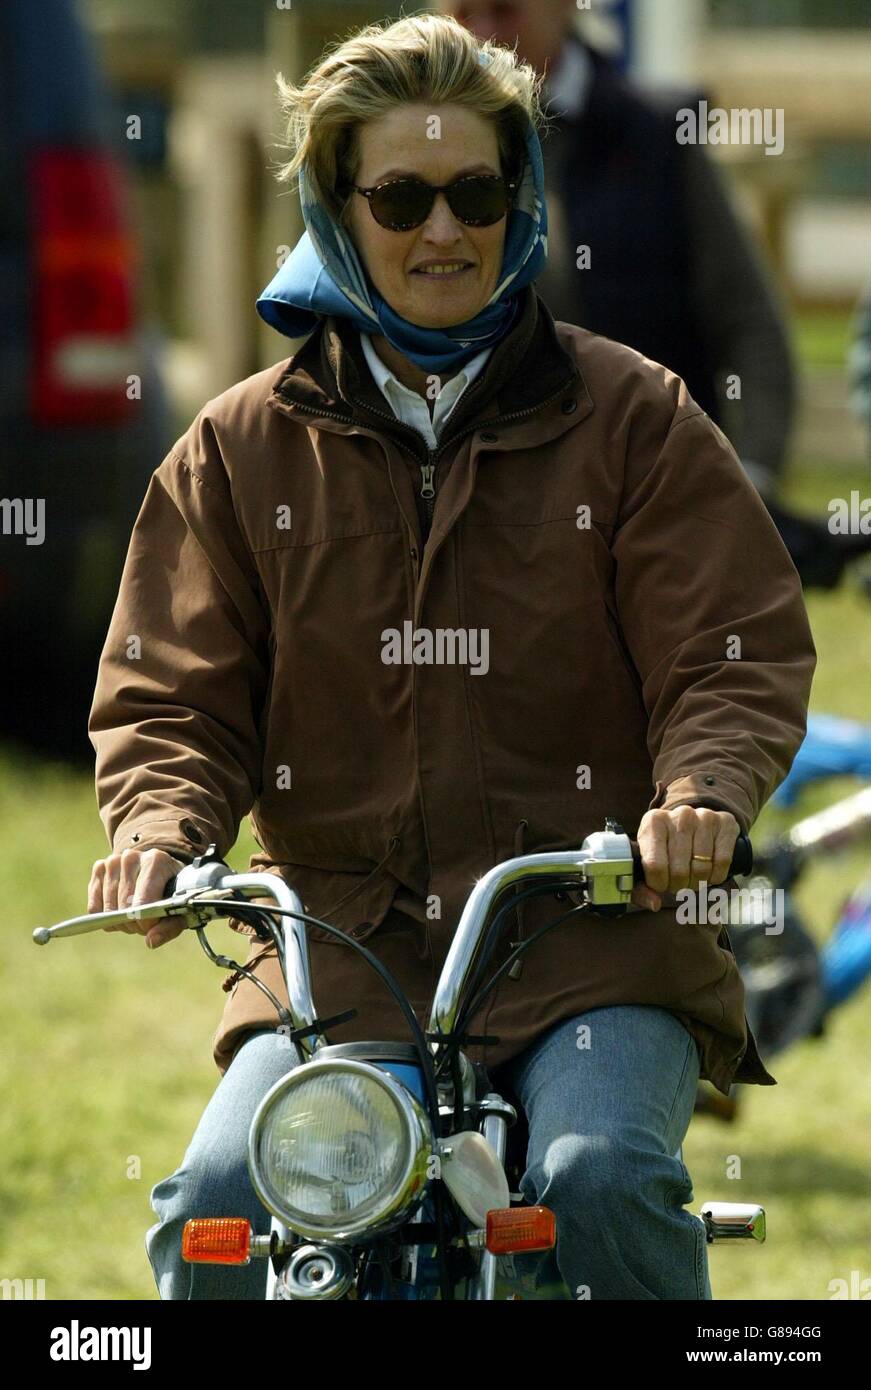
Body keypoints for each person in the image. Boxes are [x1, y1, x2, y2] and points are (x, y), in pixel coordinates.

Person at [87, 13, 816, 1300]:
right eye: (401, 196)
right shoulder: (237, 450)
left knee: (597, 1177)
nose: (442, 231)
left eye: (476, 191)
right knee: (213, 1205)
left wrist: (700, 795)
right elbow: (174, 692)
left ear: (522, 201)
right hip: (342, 959)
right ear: (334, 206)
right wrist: (159, 822)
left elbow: (728, 645)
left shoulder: (637, 418)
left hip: (594, 943)